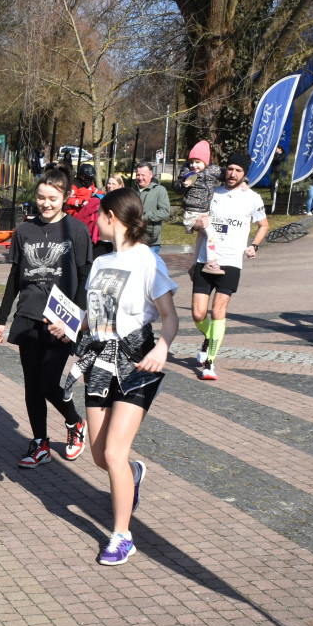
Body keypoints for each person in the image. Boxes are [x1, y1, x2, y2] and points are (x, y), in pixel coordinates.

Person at [49, 187, 178, 565]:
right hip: (99, 361)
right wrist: (70, 328)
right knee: (100, 456)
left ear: (111, 217)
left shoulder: (148, 260)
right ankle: (133, 474)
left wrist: (162, 347)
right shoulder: (102, 263)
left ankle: (122, 536)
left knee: (113, 452)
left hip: (137, 362)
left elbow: (170, 316)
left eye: (98, 215)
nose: (94, 221)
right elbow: (96, 317)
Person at [0, 165, 93, 467]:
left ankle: (75, 422)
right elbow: (14, 276)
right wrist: (1, 318)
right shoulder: (24, 231)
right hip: (28, 314)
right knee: (32, 384)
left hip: (61, 320)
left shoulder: (76, 230)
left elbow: (85, 277)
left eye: (52, 198)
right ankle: (40, 443)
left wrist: (75, 320)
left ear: (65, 197)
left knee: (48, 383)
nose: (45, 204)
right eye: (40, 197)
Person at [190, 153, 269, 381]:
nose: (232, 174)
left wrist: (254, 245)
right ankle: (210, 337)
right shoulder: (212, 193)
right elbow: (198, 227)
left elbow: (264, 225)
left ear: (244, 174)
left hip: (231, 262)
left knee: (218, 312)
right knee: (198, 314)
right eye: (230, 169)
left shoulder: (252, 198)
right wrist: (196, 231)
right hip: (205, 260)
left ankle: (210, 362)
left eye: (238, 171)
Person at [178, 140, 224, 274]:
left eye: (197, 162)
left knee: (201, 239)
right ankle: (210, 262)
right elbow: (177, 187)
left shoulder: (213, 170)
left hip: (205, 212)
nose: (194, 165)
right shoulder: (187, 171)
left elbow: (228, 175)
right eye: (192, 161)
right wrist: (183, 184)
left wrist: (244, 181)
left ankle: (194, 266)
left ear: (206, 161)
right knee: (212, 234)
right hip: (192, 213)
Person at [134, 162, 170, 255]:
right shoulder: (132, 191)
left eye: (143, 175)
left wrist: (145, 216)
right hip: (134, 239)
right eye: (138, 175)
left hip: (152, 242)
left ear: (151, 175)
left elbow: (165, 212)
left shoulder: (160, 190)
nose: (140, 178)